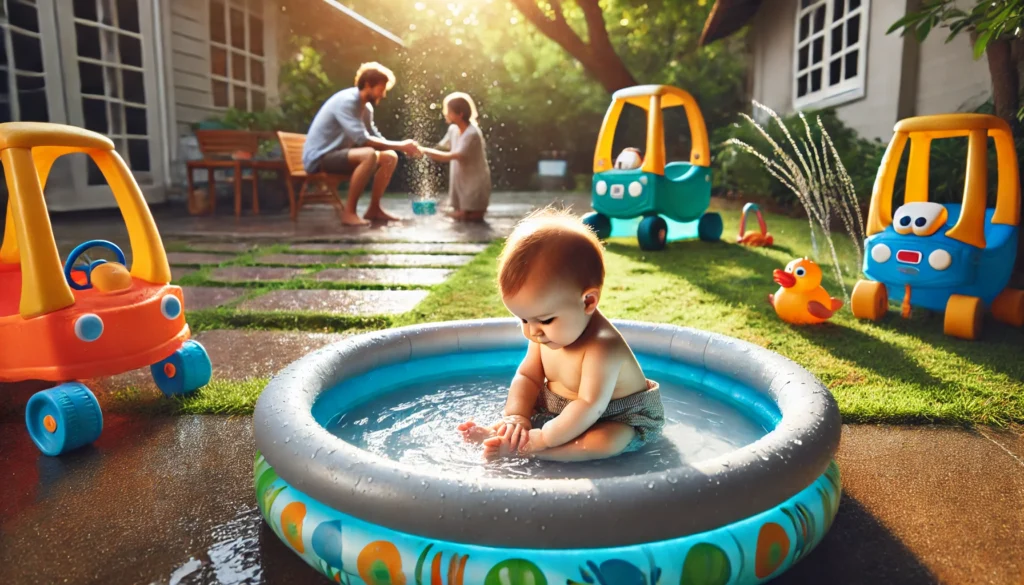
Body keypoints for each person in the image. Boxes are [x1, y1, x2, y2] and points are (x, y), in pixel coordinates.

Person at [457, 208, 665, 462]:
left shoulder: (602, 347)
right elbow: (527, 376)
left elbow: (589, 405)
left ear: (588, 301)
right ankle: (505, 433)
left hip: (614, 417)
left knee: (606, 441)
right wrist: (516, 416)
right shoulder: (545, 333)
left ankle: (535, 451)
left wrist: (542, 440)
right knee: (528, 402)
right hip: (560, 408)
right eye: (523, 319)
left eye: (544, 319)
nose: (533, 331)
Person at [302, 62, 422, 226]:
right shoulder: (347, 102)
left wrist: (400, 148)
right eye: (382, 88)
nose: (384, 94)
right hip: (320, 158)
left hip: (339, 156)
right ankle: (348, 213)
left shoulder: (365, 108)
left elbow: (375, 136)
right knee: (368, 154)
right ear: (368, 85)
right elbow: (363, 140)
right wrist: (401, 145)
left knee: (389, 157)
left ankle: (374, 209)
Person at [420, 92, 492, 222]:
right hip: (460, 179)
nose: (445, 113)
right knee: (460, 214)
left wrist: (424, 151)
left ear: (460, 114)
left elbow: (454, 155)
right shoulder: (453, 129)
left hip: (475, 181)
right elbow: (441, 147)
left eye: (448, 111)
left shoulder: (472, 133)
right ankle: (442, 213)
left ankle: (440, 213)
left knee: (472, 216)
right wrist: (418, 148)